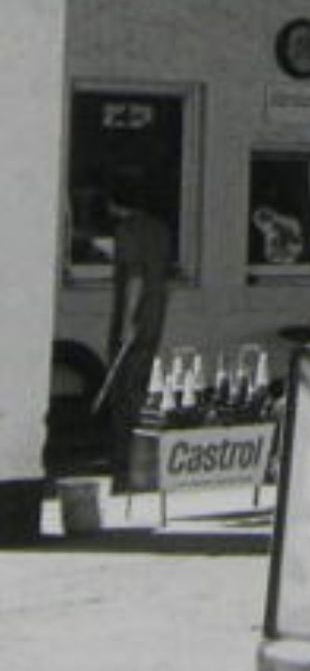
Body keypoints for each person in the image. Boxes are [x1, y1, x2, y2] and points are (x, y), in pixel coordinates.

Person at [102, 179, 172, 485]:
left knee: (123, 394)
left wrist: (128, 321)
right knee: (140, 389)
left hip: (133, 320)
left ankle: (124, 469)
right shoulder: (160, 229)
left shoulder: (126, 231)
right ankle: (140, 465)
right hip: (155, 317)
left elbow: (134, 278)